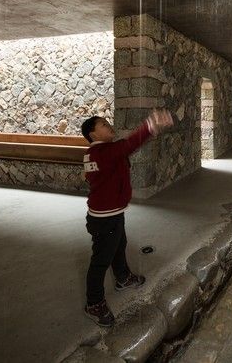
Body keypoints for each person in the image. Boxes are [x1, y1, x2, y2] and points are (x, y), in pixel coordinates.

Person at [81, 109, 173, 327]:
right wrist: (150, 125)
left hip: (112, 213)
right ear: (93, 135)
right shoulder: (103, 152)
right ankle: (93, 304)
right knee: (101, 260)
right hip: (105, 218)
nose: (108, 125)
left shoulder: (96, 153)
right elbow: (128, 145)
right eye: (103, 124)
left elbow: (102, 169)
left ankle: (122, 278)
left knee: (119, 245)